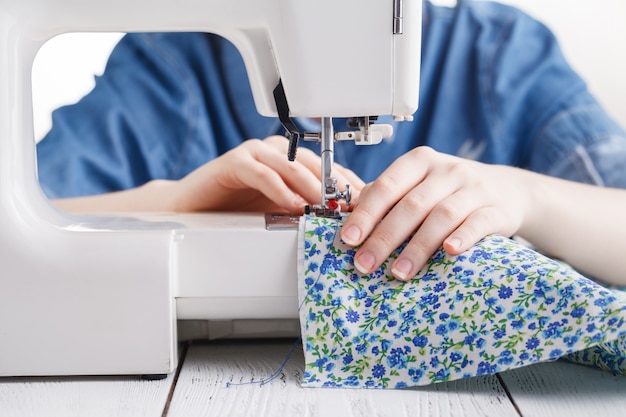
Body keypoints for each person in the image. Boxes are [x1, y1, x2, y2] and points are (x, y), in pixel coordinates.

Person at [38, 1, 626, 284]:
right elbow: (29, 222)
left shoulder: (503, 60)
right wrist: (172, 203)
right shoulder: (174, 64)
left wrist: (522, 197)